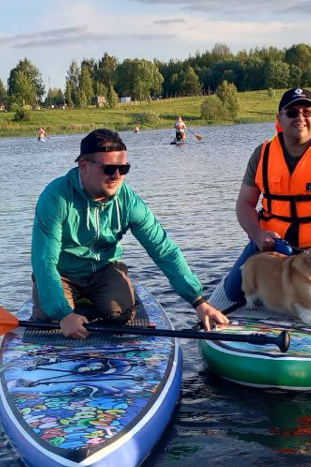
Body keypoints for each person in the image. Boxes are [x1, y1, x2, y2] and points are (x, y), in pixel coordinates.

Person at [31, 128, 228, 339]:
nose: (116, 176)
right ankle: (67, 306)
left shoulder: (129, 202)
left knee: (120, 314)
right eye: (109, 168)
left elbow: (163, 250)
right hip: (63, 273)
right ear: (83, 166)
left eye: (123, 168)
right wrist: (63, 315)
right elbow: (44, 261)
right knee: (51, 320)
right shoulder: (55, 199)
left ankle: (91, 302)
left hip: (103, 269)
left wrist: (198, 301)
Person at [221, 87, 311, 310]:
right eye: (292, 112)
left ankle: (292, 291)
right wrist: (258, 235)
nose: (300, 118)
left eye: (307, 112)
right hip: (273, 246)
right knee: (234, 293)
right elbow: (244, 204)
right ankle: (280, 289)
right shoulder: (262, 154)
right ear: (279, 118)